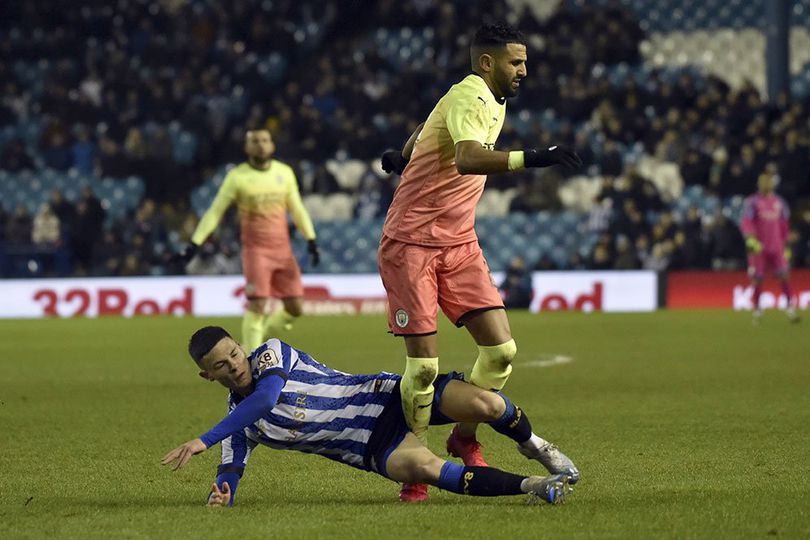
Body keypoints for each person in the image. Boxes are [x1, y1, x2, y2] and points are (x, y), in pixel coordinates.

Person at [378, 23, 581, 501]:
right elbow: (469, 158)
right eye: (516, 62)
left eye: (525, 61)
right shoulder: (471, 97)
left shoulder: (476, 98)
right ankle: (416, 463)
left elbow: (429, 123)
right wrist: (534, 157)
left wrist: (403, 155)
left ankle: (463, 436)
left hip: (459, 243)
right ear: (487, 63)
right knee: (425, 369)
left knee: (501, 354)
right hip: (411, 243)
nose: (524, 70)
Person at [160, 326, 579, 506]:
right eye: (221, 365)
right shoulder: (239, 424)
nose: (234, 365)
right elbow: (232, 467)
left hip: (386, 395)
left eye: (233, 353)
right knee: (429, 469)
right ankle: (538, 485)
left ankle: (535, 446)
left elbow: (267, 398)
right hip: (371, 447)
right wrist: (223, 490)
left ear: (240, 345)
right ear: (207, 374)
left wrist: (203, 439)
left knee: (487, 405)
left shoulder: (271, 353)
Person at [180, 128, 320, 351]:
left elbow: (297, 209)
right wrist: (195, 243)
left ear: (272, 145)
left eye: (265, 140)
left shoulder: (284, 173)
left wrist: (311, 238)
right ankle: (254, 358)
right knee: (257, 305)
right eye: (255, 141)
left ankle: (261, 335)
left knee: (295, 308)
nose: (261, 145)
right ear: (247, 147)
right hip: (256, 251)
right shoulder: (237, 177)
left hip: (283, 251)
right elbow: (215, 212)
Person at [740, 173, 799, 324]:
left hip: (777, 246)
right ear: (759, 184)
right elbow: (746, 221)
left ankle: (790, 309)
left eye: (768, 181)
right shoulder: (752, 202)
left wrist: (786, 244)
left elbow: (785, 224)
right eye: (763, 181)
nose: (766, 184)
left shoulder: (780, 202)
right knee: (757, 279)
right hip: (759, 248)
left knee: (784, 276)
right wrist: (751, 239)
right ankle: (758, 311)